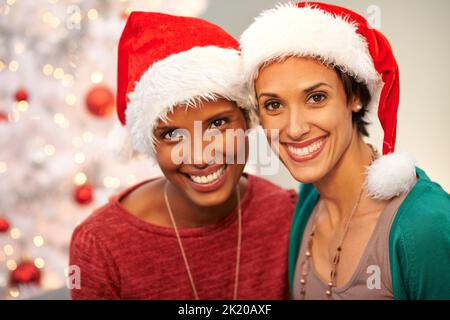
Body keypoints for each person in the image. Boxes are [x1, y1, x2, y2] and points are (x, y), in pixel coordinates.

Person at [69, 12, 297, 300]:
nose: (200, 156)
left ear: (247, 118)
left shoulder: (286, 215)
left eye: (217, 124)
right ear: (150, 143)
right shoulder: (100, 244)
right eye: (173, 135)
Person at [240, 2, 450, 299]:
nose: (295, 128)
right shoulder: (308, 202)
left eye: (316, 97)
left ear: (355, 97)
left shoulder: (425, 224)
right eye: (274, 105)